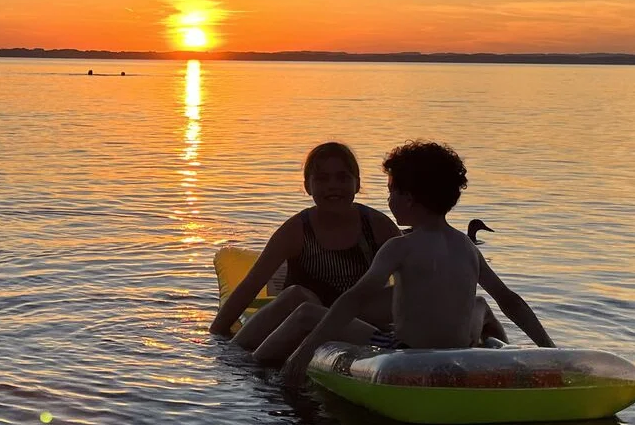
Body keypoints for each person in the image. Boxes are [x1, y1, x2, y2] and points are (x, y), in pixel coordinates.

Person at [281, 140, 555, 387]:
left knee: (313, 316)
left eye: (391, 192)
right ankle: (503, 364)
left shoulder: (400, 247)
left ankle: (260, 363)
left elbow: (353, 299)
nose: (388, 201)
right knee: (481, 306)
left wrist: (305, 352)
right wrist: (551, 351)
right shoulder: (467, 247)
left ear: (408, 198)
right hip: (459, 353)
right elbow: (510, 301)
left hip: (404, 353)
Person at [209, 142, 403, 359]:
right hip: (302, 322)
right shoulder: (296, 231)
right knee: (296, 295)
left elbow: (415, 282)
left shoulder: (378, 226)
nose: (333, 186)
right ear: (308, 186)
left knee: (394, 293)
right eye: (322, 179)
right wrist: (218, 337)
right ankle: (236, 360)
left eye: (342, 177)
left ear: (357, 184)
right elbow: (251, 285)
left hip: (354, 323)